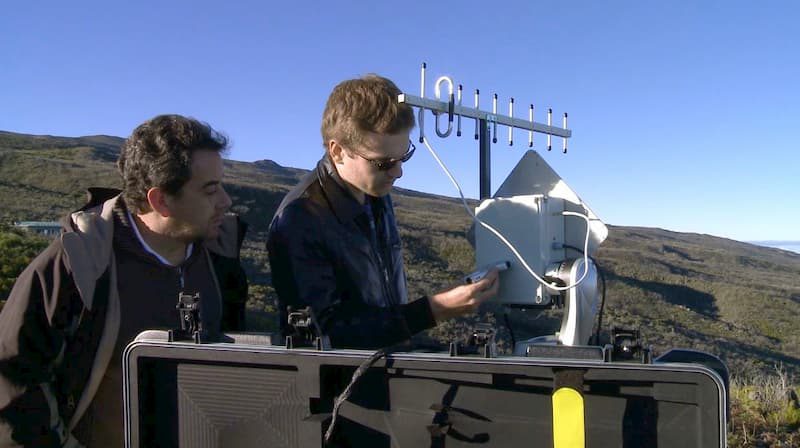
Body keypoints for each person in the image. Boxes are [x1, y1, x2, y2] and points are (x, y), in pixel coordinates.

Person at [0, 115, 248, 447]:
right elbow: (14, 383)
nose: (226, 202)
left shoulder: (220, 260)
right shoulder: (79, 264)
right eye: (210, 190)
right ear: (160, 200)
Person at [267, 75, 499, 350]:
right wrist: (433, 310)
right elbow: (323, 336)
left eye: (404, 156)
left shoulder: (374, 193)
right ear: (338, 151)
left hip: (386, 362)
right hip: (345, 377)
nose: (398, 172)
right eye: (384, 163)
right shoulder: (300, 219)